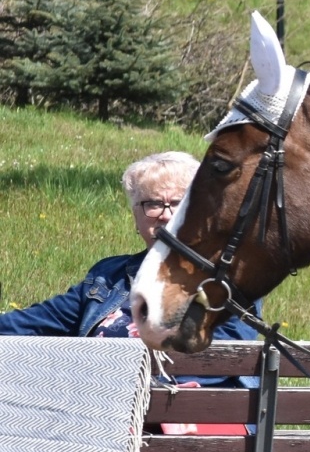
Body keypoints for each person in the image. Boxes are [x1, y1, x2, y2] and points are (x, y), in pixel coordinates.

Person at [1, 151, 262, 393]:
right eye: (152, 204)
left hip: (179, 415)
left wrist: (125, 379)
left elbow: (227, 355)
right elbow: (36, 322)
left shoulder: (228, 280)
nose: (165, 215)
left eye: (178, 204)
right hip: (101, 406)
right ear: (135, 215)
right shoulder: (109, 276)